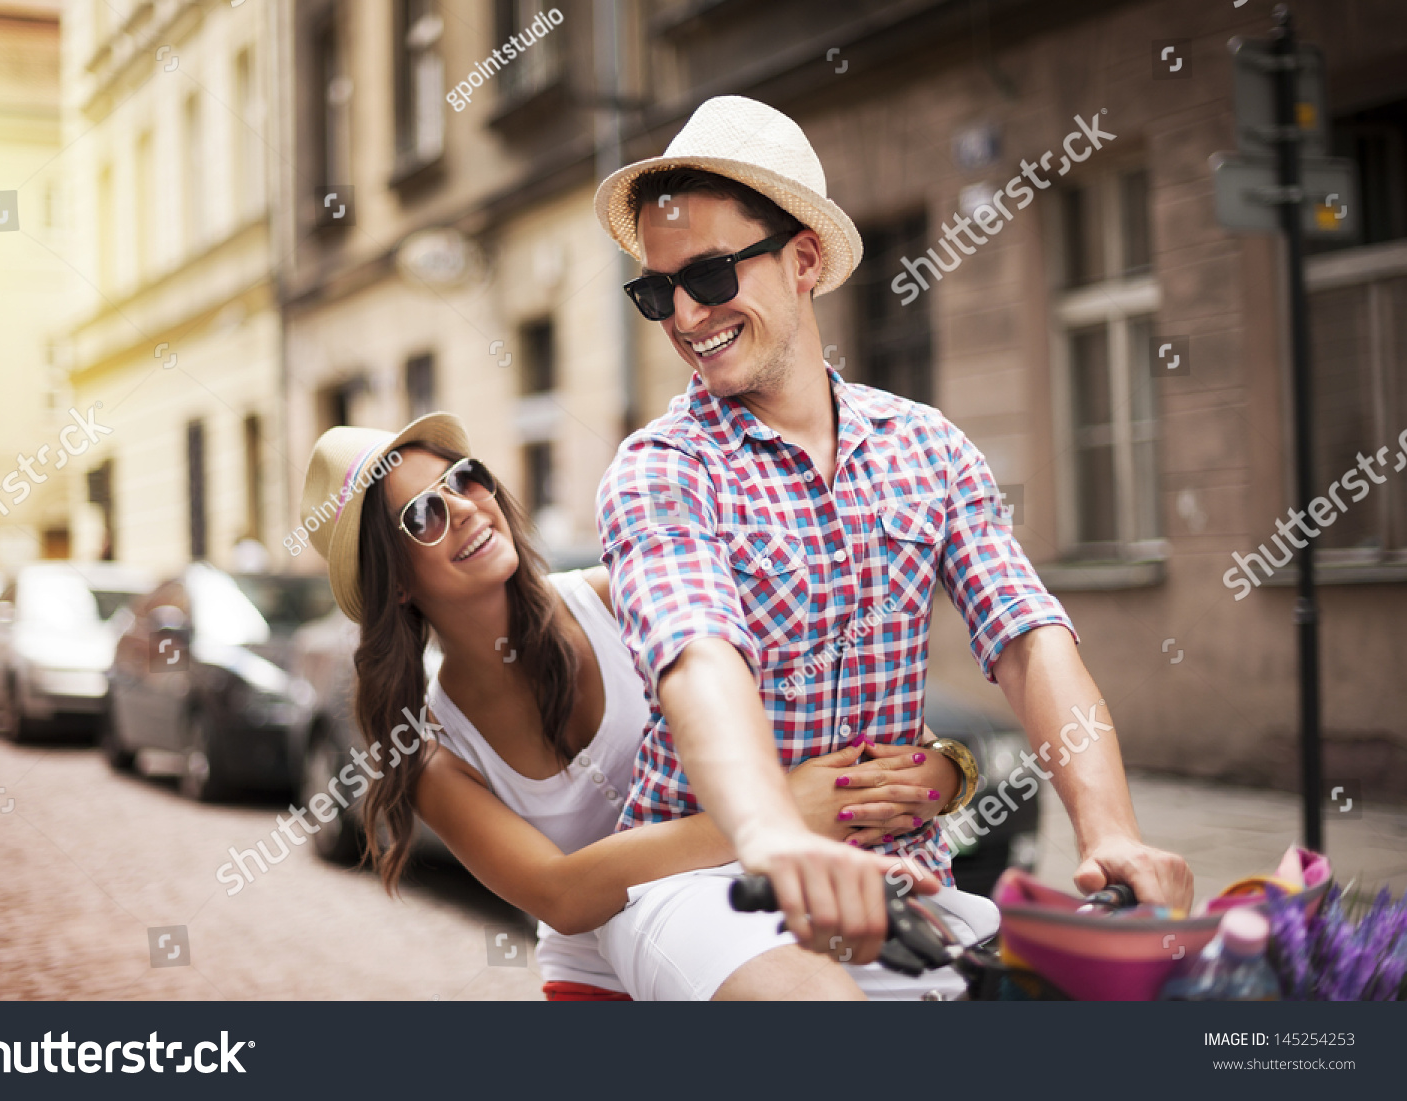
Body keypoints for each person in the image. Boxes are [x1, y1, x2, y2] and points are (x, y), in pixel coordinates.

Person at [590, 95, 1195, 999]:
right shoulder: (659, 470)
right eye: (654, 289)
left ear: (802, 261)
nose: (682, 313)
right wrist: (775, 837)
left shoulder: (929, 446)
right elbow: (698, 663)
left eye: (710, 276)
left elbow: (1028, 637)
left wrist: (1109, 832)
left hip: (907, 879)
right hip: (704, 881)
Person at [299, 416, 975, 1000]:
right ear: (394, 586)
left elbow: (829, 698)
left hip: (769, 905)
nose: (468, 507)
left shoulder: (624, 594)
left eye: (465, 478)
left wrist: (944, 771)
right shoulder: (434, 752)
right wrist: (773, 813)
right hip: (607, 973)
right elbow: (562, 895)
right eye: (422, 514)